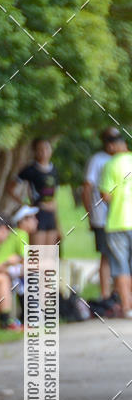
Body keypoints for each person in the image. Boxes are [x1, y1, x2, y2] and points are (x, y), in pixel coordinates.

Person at [83, 128, 121, 300]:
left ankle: (120, 293)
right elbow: (88, 187)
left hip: (122, 217)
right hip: (102, 216)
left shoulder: (123, 159)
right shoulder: (97, 160)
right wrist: (89, 213)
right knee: (106, 255)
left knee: (122, 256)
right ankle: (106, 295)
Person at [100, 132, 132, 317]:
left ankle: (127, 307)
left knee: (121, 266)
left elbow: (106, 196)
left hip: (118, 221)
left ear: (111, 146)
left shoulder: (110, 165)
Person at [7, 138, 59, 245]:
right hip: (38, 213)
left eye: (46, 148)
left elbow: (54, 195)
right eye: (40, 149)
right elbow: (10, 188)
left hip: (51, 214)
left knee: (50, 255)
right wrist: (25, 203)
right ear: (35, 151)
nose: (44, 152)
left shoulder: (54, 170)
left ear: (51, 150)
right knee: (37, 254)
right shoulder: (30, 170)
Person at [0, 205, 39, 320]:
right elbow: (25, 260)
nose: (36, 221)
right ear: (22, 221)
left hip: (1, 266)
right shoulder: (21, 234)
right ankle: (29, 314)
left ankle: (27, 313)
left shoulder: (16, 233)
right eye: (32, 218)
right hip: (2, 267)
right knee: (31, 273)